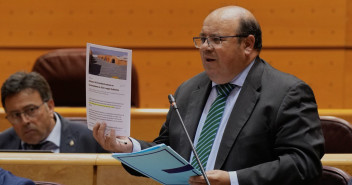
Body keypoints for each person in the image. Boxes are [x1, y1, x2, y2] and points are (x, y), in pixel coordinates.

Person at [93, 5, 325, 185]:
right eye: (202, 39)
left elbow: (304, 163)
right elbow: (168, 151)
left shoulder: (287, 93)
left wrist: (233, 180)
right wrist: (128, 147)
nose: (205, 47)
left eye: (216, 39)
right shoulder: (188, 90)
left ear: (248, 44)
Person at [0, 72, 107, 153]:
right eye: (15, 115)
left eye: (31, 110)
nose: (24, 121)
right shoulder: (2, 145)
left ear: (50, 106)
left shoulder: (92, 140)